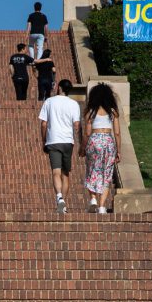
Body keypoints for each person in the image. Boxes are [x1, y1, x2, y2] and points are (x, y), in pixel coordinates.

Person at [38, 79, 81, 214]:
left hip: (53, 141)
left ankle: (59, 198)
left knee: (55, 172)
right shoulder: (74, 104)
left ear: (59, 87)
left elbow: (44, 124)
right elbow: (77, 125)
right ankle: (64, 205)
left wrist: (44, 140)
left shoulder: (49, 101)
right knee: (65, 174)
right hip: (68, 141)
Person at [80, 82, 121, 214]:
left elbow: (86, 133)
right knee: (106, 174)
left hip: (94, 140)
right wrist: (118, 151)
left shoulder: (90, 112)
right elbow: (117, 133)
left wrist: (83, 147)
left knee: (92, 171)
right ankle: (102, 207)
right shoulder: (113, 112)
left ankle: (93, 199)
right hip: (108, 141)